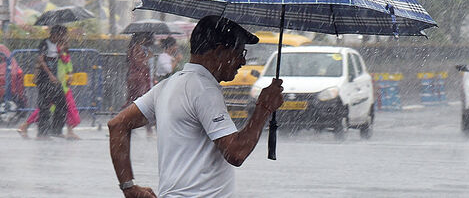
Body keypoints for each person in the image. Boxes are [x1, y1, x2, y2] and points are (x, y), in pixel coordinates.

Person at [108, 15, 284, 198]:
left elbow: (117, 125)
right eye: (240, 52)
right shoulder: (204, 89)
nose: (242, 62)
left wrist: (128, 186)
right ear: (220, 52)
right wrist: (263, 108)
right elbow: (236, 153)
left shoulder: (168, 85)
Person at [17, 41, 81, 140]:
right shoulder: (53, 56)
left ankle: (69, 131)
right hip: (54, 87)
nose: (65, 44)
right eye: (62, 43)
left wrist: (70, 76)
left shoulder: (65, 56)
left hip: (63, 87)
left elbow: (69, 68)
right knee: (47, 109)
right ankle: (26, 126)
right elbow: (42, 64)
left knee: (68, 109)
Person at [34, 25, 68, 139]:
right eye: (62, 35)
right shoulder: (45, 43)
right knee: (44, 106)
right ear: (55, 34)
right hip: (44, 79)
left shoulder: (58, 45)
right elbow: (41, 60)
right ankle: (42, 133)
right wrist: (50, 75)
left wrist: (61, 50)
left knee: (62, 103)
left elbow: (57, 58)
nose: (63, 37)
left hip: (54, 80)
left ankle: (56, 129)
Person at [124, 32, 154, 109]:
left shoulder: (132, 48)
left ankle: (131, 115)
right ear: (141, 39)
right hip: (140, 77)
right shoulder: (137, 48)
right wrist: (148, 57)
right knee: (141, 99)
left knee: (133, 98)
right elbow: (140, 63)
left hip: (134, 76)